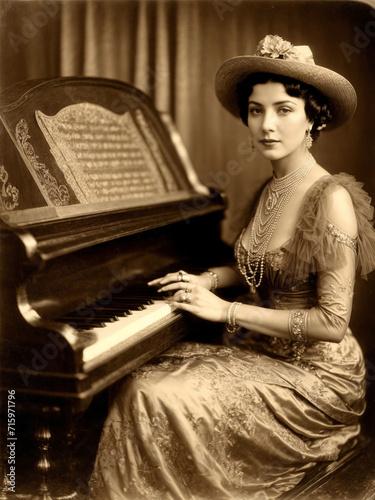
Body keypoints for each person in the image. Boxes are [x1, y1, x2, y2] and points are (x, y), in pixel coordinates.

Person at [89, 35, 375, 499]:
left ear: (312, 119)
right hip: (261, 351)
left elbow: (332, 323)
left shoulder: (331, 199)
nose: (266, 125)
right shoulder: (272, 188)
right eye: (256, 110)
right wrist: (207, 279)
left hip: (316, 378)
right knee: (135, 374)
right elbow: (258, 269)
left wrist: (223, 311)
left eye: (284, 109)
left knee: (153, 393)